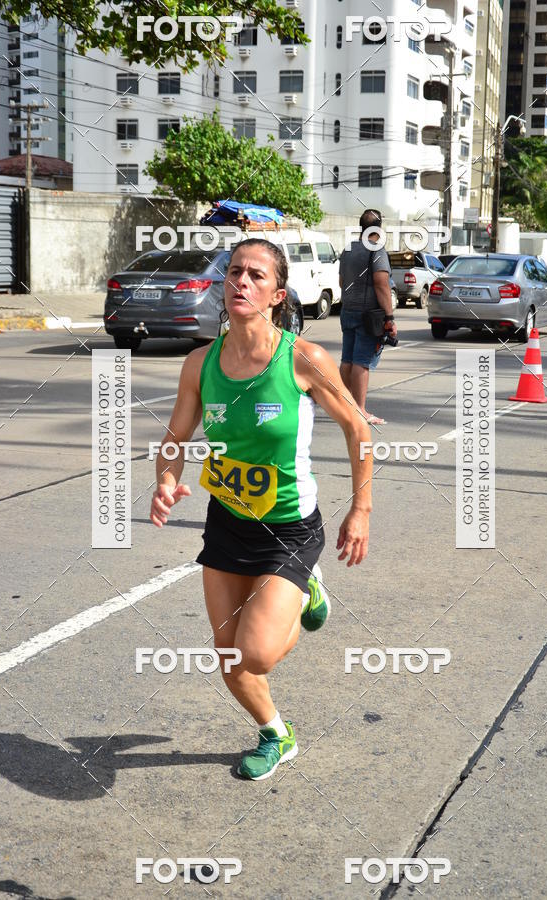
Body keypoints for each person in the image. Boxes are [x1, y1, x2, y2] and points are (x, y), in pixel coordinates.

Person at [150, 239, 373, 781]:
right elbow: (176, 437)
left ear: (277, 294)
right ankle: (277, 733)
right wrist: (166, 479)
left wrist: (361, 509)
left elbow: (358, 428)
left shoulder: (302, 359)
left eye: (256, 275)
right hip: (227, 524)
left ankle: (306, 587)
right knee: (230, 660)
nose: (242, 281)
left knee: (256, 654)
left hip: (288, 529)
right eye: (234, 272)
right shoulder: (200, 363)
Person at [338, 209, 397, 425]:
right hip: (368, 315)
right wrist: (389, 317)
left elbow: (341, 282)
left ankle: (344, 406)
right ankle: (360, 410)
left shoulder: (348, 249)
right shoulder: (377, 250)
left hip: (347, 310)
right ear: (379, 228)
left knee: (347, 360)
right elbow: (382, 284)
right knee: (362, 362)